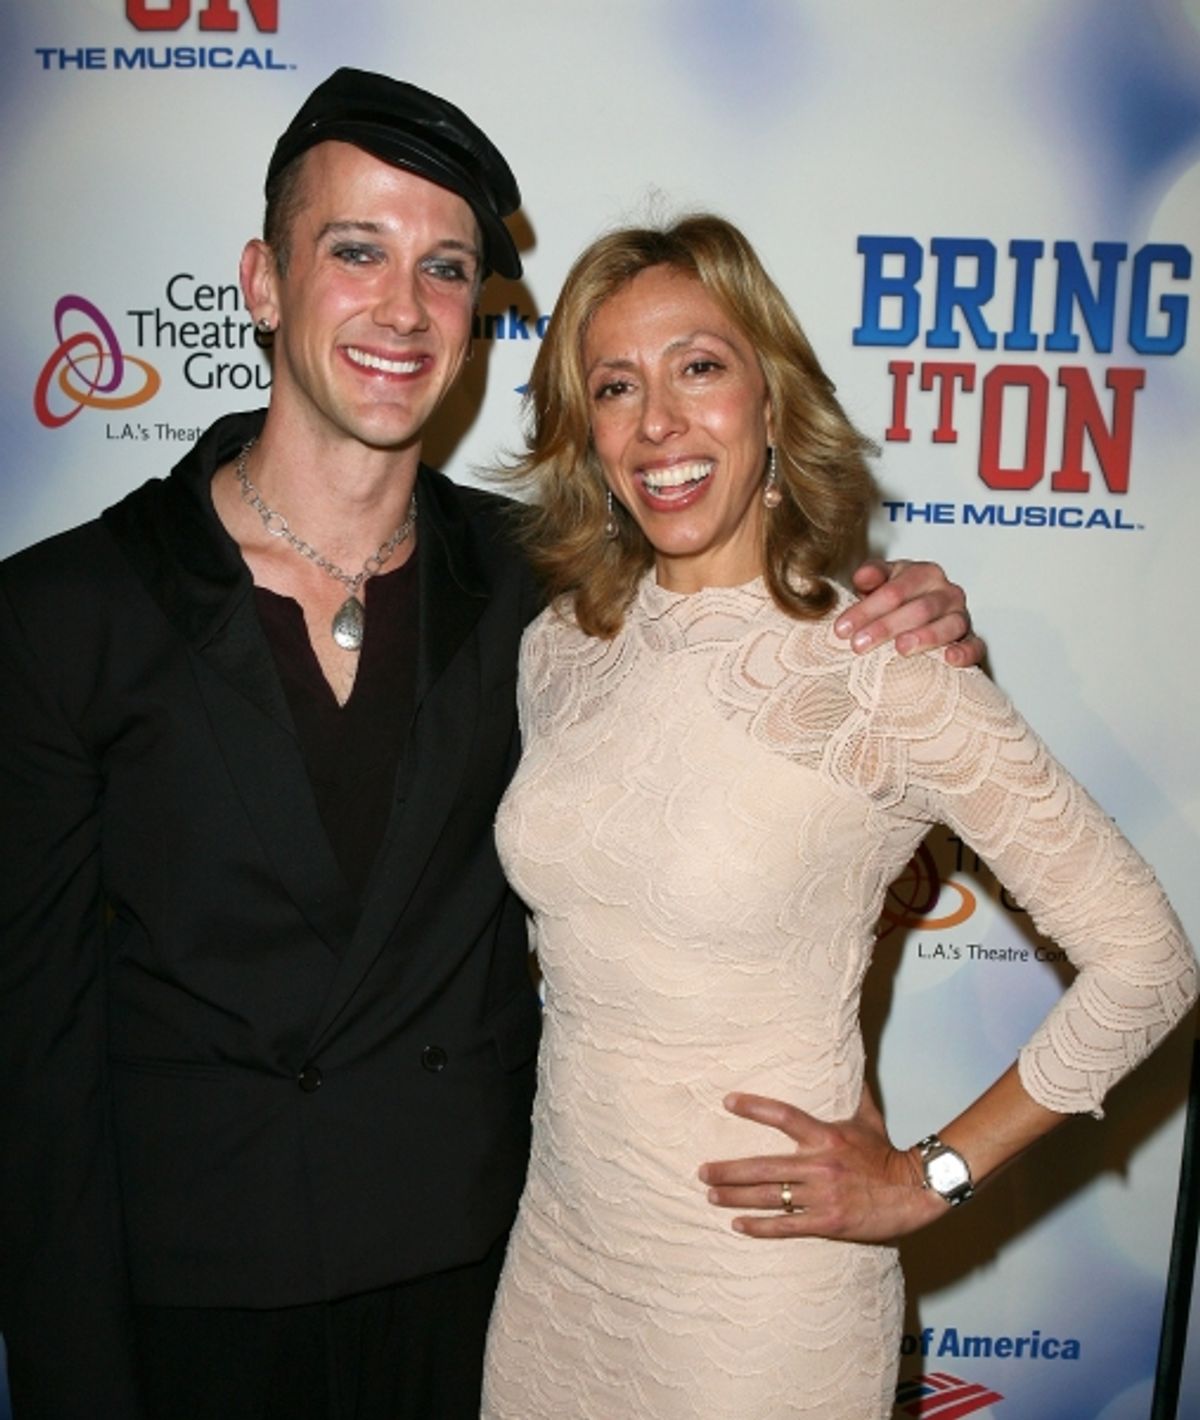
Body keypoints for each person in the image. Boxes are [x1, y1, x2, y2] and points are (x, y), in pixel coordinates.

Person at [0, 72, 980, 1420]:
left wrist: (904, 617)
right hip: (193, 1315)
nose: (403, 307)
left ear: (477, 318)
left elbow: (771, 664)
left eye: (445, 268)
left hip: (481, 1300)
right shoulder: (65, 613)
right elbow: (34, 1074)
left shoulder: (552, 591)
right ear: (263, 282)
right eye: (357, 250)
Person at [479, 215, 1198, 1420]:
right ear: (589, 436)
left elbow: (1149, 962)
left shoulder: (886, 666)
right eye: (615, 386)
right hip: (560, 1273)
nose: (658, 420)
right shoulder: (556, 650)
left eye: (699, 367)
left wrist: (931, 1177)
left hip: (760, 1314)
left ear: (772, 399)